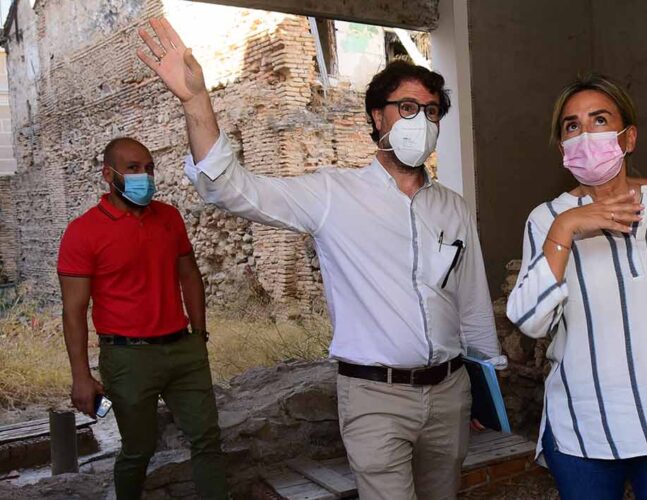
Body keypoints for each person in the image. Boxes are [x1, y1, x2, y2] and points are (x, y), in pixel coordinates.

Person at [136, 18, 504, 500]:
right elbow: (231, 188)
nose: (422, 122)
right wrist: (196, 103)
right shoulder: (334, 194)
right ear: (377, 117)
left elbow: (471, 299)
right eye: (407, 108)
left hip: (451, 391)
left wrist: (487, 382)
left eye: (432, 113)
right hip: (376, 397)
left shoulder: (452, 206)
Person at [506, 73, 647, 499]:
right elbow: (531, 322)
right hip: (584, 429)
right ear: (562, 147)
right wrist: (567, 226)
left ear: (628, 138)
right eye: (572, 126)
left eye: (599, 120)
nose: (585, 134)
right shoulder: (547, 219)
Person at [58, 137, 227, 499]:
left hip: (183, 349)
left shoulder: (168, 217)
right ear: (108, 174)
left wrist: (199, 333)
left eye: (149, 168)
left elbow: (189, 273)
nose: (144, 176)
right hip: (127, 358)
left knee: (208, 439)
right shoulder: (82, 231)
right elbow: (73, 311)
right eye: (133, 168)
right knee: (137, 451)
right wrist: (81, 377)